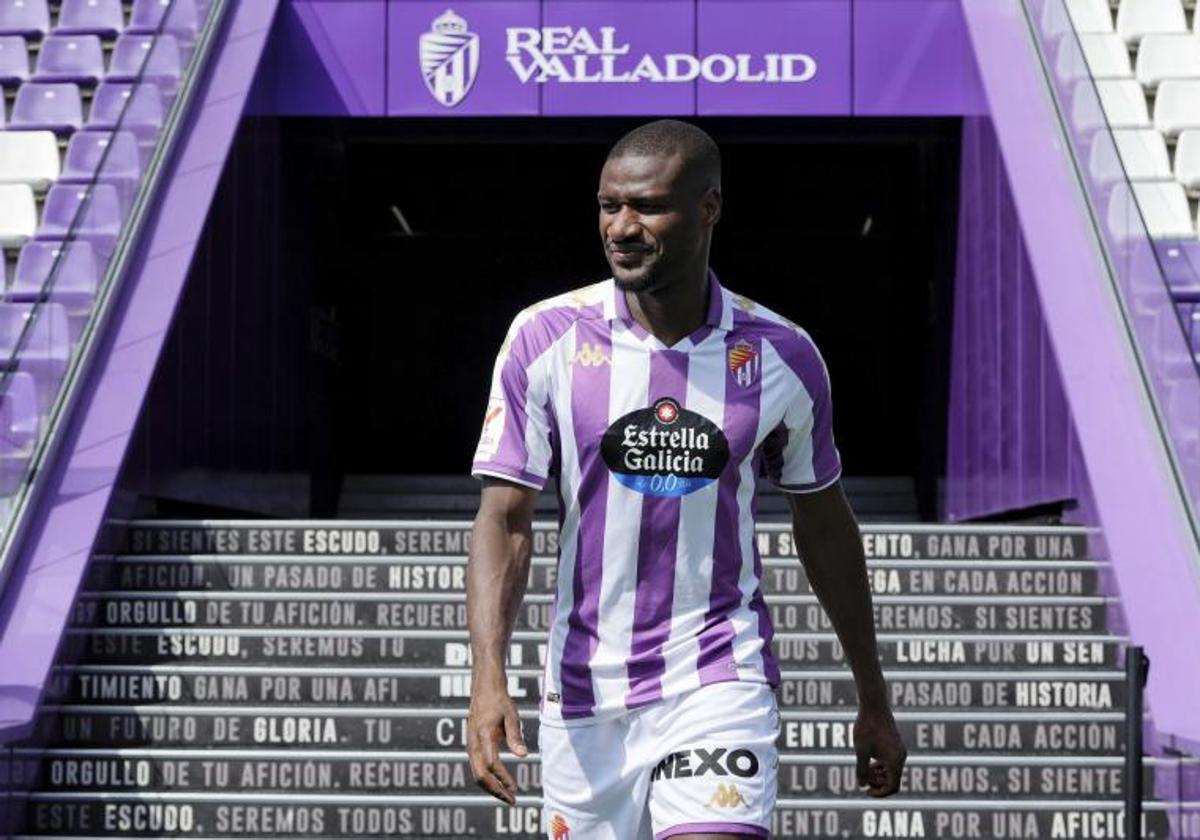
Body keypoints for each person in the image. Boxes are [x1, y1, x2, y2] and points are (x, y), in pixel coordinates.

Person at [466, 119, 906, 840]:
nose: (622, 227)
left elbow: (825, 526)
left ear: (709, 208)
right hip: (584, 692)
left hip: (717, 675)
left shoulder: (782, 354)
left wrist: (873, 697)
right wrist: (486, 677)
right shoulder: (545, 337)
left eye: (647, 206)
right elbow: (505, 518)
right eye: (609, 207)